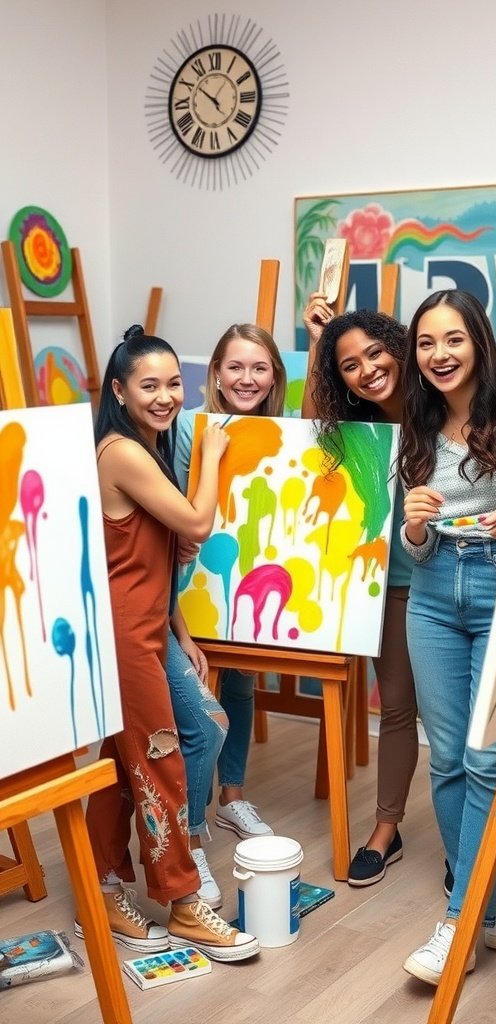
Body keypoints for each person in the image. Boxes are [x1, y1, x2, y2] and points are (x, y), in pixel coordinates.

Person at [80, 325, 259, 962]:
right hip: (127, 638)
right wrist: (210, 452)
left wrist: (179, 633)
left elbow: (155, 557)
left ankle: (101, 888)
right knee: (160, 758)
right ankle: (184, 904)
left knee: (133, 757)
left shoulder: (146, 450)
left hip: (149, 631)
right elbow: (197, 522)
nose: (165, 396)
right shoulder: (122, 452)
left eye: (173, 383)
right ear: (121, 391)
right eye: (148, 385)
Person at [398, 289, 496, 986]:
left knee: (488, 759)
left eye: (452, 339)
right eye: (426, 343)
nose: (439, 355)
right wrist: (415, 526)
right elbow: (413, 549)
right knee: (448, 760)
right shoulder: (415, 422)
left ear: (479, 340)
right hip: (430, 600)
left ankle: (460, 919)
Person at [301, 294, 418, 888]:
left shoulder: (442, 406)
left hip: (461, 581)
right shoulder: (355, 429)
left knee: (466, 726)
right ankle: (385, 829)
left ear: (398, 347)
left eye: (375, 353)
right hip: (390, 586)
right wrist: (320, 342)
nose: (368, 368)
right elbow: (301, 439)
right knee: (397, 709)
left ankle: (481, 839)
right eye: (350, 364)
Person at [171, 323, 287, 879]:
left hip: (243, 582)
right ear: (215, 372)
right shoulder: (186, 432)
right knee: (199, 712)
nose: (247, 378)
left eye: (259, 367)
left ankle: (232, 797)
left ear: (274, 376)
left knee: (240, 682)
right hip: (186, 586)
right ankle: (186, 826)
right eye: (235, 366)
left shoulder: (283, 432)